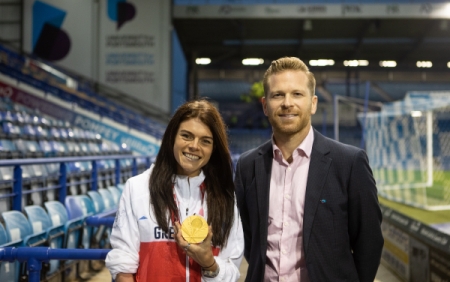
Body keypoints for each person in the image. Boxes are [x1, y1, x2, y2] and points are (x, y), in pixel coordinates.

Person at [234, 57, 383, 282]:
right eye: (278, 95)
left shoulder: (349, 162)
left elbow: (369, 242)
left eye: (297, 94)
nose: (287, 103)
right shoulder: (247, 166)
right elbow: (249, 238)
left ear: (312, 103)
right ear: (265, 105)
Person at [106, 99, 244, 282]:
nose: (194, 146)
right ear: (172, 137)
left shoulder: (225, 198)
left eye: (205, 141)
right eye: (186, 136)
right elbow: (123, 263)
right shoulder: (137, 188)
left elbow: (232, 270)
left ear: (213, 149)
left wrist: (209, 263)